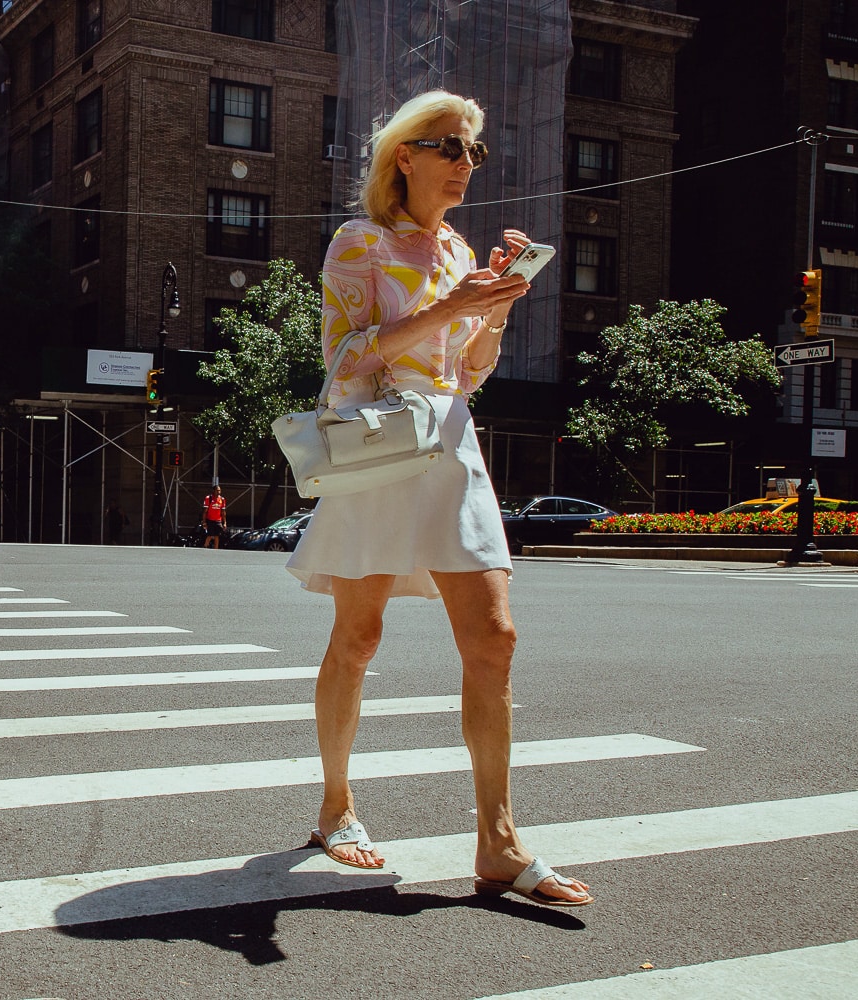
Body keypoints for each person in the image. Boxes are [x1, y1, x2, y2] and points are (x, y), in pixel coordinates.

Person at [286, 91, 593, 907]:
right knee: (358, 636)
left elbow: (471, 372)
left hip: (452, 445)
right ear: (405, 157)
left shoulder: (461, 251)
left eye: (472, 152)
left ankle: (497, 841)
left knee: (494, 637)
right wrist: (448, 308)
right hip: (382, 449)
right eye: (450, 147)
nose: (465, 163)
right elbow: (347, 359)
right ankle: (335, 806)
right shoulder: (361, 242)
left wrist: (490, 305)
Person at [202, 484, 227, 549]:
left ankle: (216, 550)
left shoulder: (222, 499)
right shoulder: (208, 498)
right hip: (210, 519)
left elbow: (223, 512)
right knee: (209, 535)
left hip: (218, 520)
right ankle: (205, 546)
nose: (218, 492)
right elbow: (205, 511)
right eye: (217, 490)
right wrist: (204, 522)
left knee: (217, 535)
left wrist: (224, 523)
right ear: (213, 491)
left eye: (219, 491)